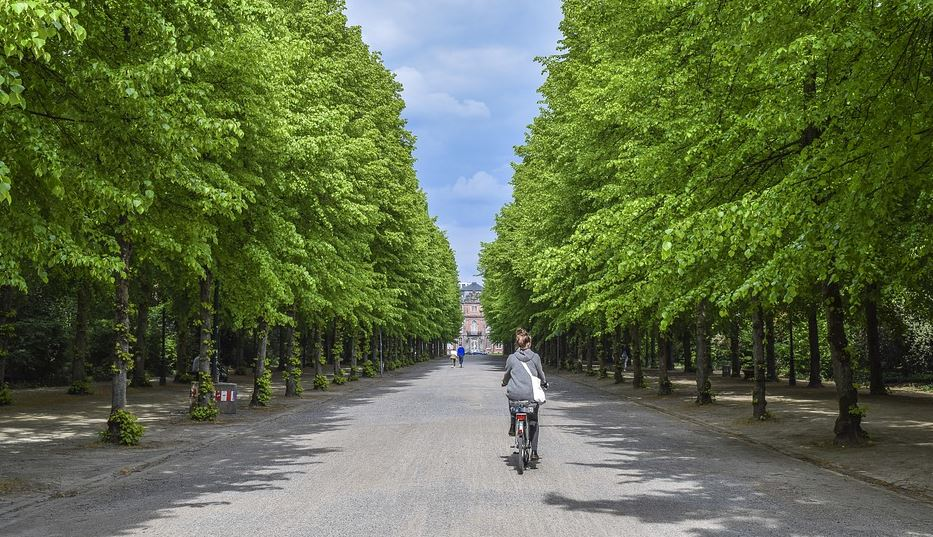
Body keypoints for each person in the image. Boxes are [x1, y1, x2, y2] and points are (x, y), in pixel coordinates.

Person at [501, 328, 547, 461]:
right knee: (533, 421)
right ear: (529, 343)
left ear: (517, 344)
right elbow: (540, 374)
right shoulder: (535, 357)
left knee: (512, 400)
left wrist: (504, 382)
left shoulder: (511, 358)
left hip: (515, 396)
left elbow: (507, 374)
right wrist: (544, 383)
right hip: (530, 397)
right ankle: (534, 452)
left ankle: (513, 424)